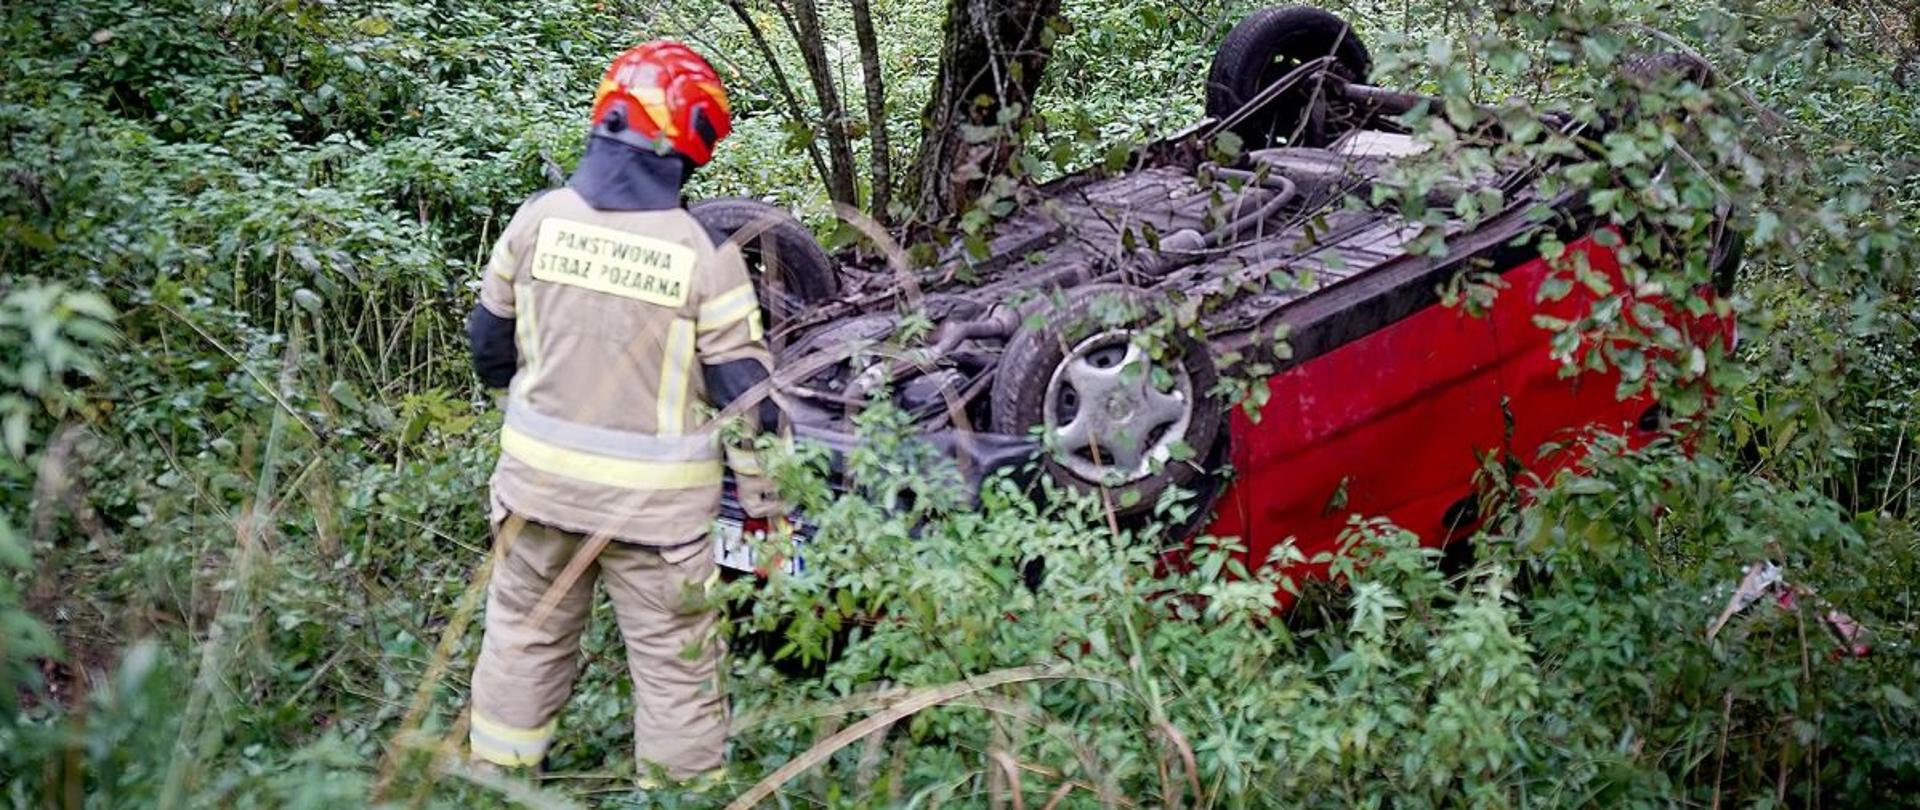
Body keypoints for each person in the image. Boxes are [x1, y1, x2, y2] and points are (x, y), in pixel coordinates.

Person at [461, 40, 782, 785]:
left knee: (521, 641)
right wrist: (765, 508)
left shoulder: (534, 223)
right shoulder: (705, 256)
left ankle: (496, 785)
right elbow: (748, 404)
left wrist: (537, 415)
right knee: (677, 673)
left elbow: (487, 349)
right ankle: (674, 800)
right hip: (657, 524)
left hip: (534, 497)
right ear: (686, 141)